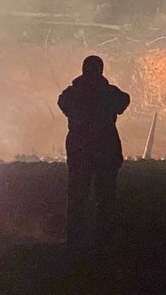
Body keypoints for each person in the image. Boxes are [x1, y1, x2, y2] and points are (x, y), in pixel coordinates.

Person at [58, 55, 130, 246]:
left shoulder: (72, 93)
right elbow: (123, 101)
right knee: (105, 196)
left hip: (80, 149)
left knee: (77, 195)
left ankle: (75, 238)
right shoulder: (108, 93)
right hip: (105, 149)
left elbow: (63, 103)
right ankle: (105, 238)